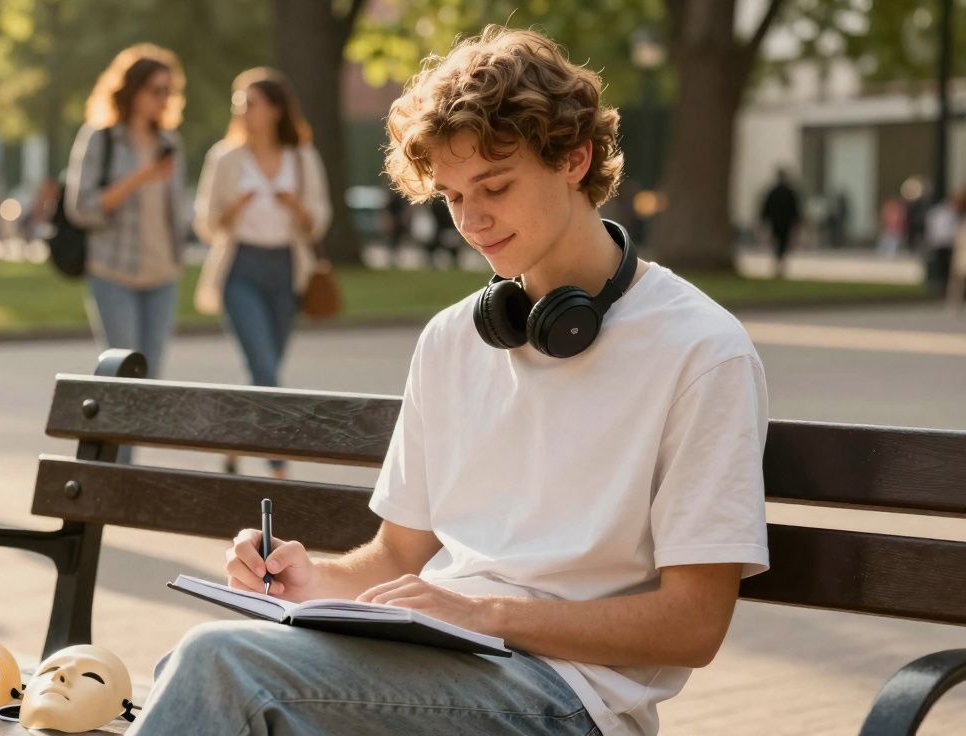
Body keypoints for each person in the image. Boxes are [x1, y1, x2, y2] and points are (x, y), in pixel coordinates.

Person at [129, 25, 768, 736]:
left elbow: (693, 624)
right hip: (432, 662)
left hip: (567, 700)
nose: (472, 221)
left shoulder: (700, 350)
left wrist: (483, 614)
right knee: (210, 664)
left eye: (495, 186)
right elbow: (398, 555)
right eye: (453, 197)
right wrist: (308, 580)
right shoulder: (453, 338)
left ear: (574, 158)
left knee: (220, 666)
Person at [193, 68, 331, 479]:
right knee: (265, 369)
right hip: (241, 270)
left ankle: (234, 441)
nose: (241, 110)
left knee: (264, 369)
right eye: (239, 103)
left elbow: (319, 220)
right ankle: (278, 465)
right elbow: (205, 223)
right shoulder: (225, 158)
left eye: (250, 103)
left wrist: (297, 207)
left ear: (274, 109)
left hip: (286, 271)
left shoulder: (302, 157)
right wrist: (234, 209)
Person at [64, 44, 189, 384]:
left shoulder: (170, 143)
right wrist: (138, 178)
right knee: (123, 375)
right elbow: (81, 208)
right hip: (114, 270)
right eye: (156, 90)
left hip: (162, 272)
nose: (163, 99)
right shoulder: (101, 139)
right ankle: (118, 425)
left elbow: (176, 211)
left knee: (152, 376)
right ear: (132, 90)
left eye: (169, 91)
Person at [759, 168, 800, 277]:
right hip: (784, 222)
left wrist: (763, 219)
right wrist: (797, 221)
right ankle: (780, 261)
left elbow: (766, 207)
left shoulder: (773, 191)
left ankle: (778, 261)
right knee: (783, 242)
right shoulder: (789, 192)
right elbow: (795, 209)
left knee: (778, 241)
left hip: (776, 221)